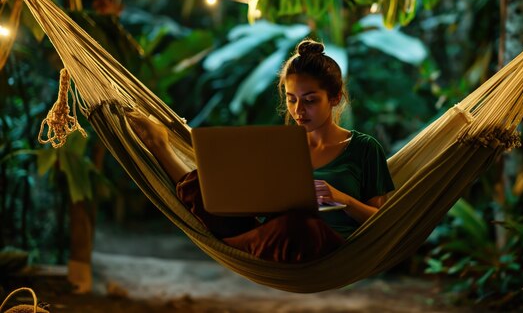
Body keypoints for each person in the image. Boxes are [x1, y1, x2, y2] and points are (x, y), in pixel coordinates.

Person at [127, 39, 395, 262]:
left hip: (324, 247)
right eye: (291, 100)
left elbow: (381, 221)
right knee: (207, 186)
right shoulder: (280, 146)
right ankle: (159, 145)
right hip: (272, 238)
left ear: (335, 98)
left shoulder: (364, 148)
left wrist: (342, 199)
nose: (299, 110)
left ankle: (232, 244)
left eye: (310, 100)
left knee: (301, 227)